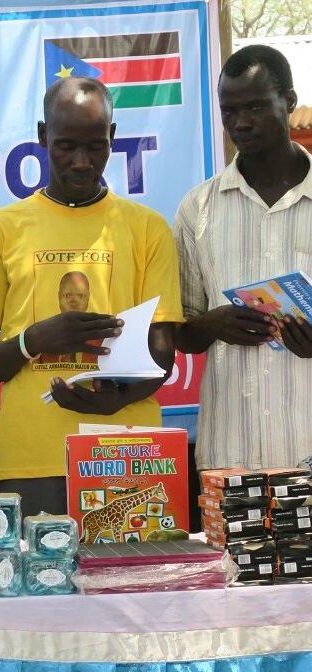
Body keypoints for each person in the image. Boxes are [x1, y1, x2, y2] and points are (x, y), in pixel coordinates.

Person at [0, 77, 182, 517]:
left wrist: (117, 398)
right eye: (66, 146)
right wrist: (34, 340)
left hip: (127, 453)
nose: (81, 162)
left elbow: (161, 355)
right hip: (29, 460)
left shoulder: (148, 229)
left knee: (139, 566)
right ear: (43, 136)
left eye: (96, 147)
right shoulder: (0, 230)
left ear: (112, 138)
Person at [175, 45, 312, 470]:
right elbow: (180, 332)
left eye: (255, 106)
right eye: (229, 111)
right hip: (230, 456)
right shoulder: (198, 208)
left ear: (289, 101)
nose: (241, 123)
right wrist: (211, 324)